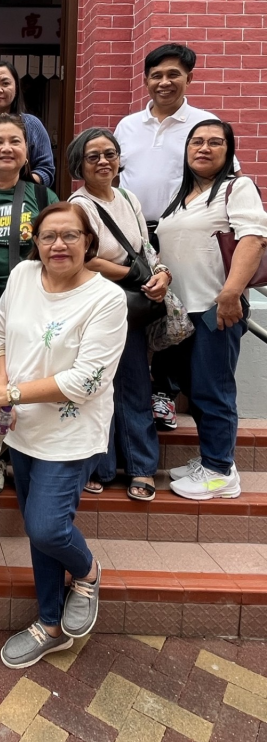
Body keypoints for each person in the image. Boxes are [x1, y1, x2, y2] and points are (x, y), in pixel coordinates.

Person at [0, 203, 127, 668]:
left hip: (71, 434)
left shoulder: (106, 299)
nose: (58, 244)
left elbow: (88, 380)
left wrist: (8, 391)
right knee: (40, 534)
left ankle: (89, 572)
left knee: (46, 526)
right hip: (22, 430)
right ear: (35, 241)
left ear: (88, 243)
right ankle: (51, 625)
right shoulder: (21, 278)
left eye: (70, 236)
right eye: (49, 235)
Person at [114, 43, 241, 429]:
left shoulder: (204, 126)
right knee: (141, 308)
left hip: (182, 230)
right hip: (134, 232)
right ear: (146, 80)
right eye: (156, 75)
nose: (164, 82)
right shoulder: (128, 126)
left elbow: (227, 181)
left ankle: (165, 392)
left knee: (179, 307)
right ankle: (130, 389)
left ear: (189, 77)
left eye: (173, 74)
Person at [155, 120, 267, 500]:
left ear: (229, 149)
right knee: (195, 387)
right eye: (196, 142)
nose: (204, 148)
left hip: (216, 308)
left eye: (215, 142)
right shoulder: (181, 196)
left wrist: (231, 293)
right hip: (181, 314)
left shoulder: (237, 188)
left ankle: (220, 471)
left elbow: (252, 238)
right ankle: (212, 458)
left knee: (214, 390)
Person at [68, 128, 170, 501]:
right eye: (93, 156)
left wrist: (161, 274)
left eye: (109, 154)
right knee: (99, 385)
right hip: (98, 305)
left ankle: (141, 467)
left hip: (134, 305)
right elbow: (83, 257)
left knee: (135, 383)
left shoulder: (128, 198)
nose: (103, 162)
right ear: (79, 163)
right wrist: (132, 275)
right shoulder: (77, 205)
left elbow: (144, 248)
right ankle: (101, 466)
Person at [0, 113, 58, 494]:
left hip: (32, 306)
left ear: (26, 152)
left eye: (15, 141)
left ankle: (17, 452)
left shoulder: (42, 196)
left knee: (26, 382)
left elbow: (57, 245)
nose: (6, 148)